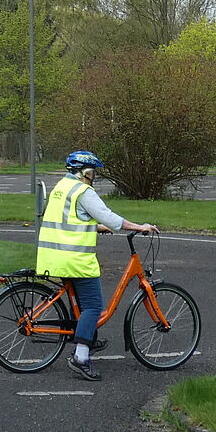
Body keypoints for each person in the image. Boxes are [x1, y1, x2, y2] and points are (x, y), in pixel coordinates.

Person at [36, 150, 158, 382]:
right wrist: (139, 227)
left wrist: (94, 228)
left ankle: (88, 339)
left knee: (80, 306)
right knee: (93, 305)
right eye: (94, 173)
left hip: (52, 255)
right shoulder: (83, 191)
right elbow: (110, 218)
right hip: (74, 259)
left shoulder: (61, 187)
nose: (94, 177)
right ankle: (81, 357)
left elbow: (69, 222)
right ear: (87, 172)